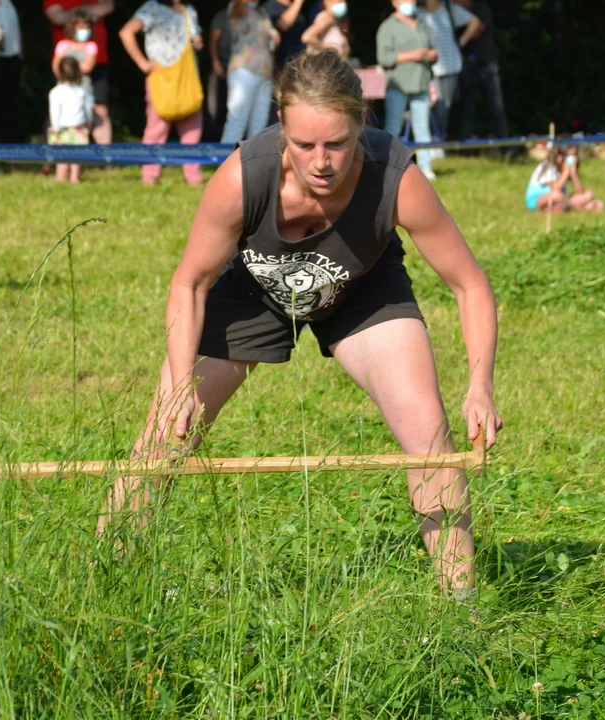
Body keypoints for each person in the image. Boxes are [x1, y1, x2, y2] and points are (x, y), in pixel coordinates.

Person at [96, 50, 502, 599]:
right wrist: (179, 386)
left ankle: (461, 610)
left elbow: (470, 285)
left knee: (429, 434)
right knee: (165, 432)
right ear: (281, 124)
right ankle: (106, 585)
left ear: (361, 123)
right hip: (253, 289)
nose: (321, 162)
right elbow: (189, 284)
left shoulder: (395, 177)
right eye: (304, 144)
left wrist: (479, 387)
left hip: (362, 289)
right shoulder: (244, 176)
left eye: (337, 143)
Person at [119, 0, 205, 186]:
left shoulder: (189, 10)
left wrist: (198, 42)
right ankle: (149, 176)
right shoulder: (152, 8)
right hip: (161, 77)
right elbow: (126, 32)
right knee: (156, 128)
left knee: (192, 127)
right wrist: (142, 63)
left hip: (187, 76)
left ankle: (193, 177)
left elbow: (195, 39)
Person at [377, 0, 437, 181]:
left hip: (421, 83)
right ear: (394, 3)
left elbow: (432, 48)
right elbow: (384, 58)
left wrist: (432, 55)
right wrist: (412, 55)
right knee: (393, 127)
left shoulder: (421, 24)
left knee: (422, 128)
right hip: (398, 85)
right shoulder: (388, 26)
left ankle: (426, 168)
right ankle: (388, 166)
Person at [44, 0, 114, 146]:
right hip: (64, 82)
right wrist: (89, 11)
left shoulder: (91, 47)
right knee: (56, 111)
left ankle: (105, 155)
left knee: (98, 109)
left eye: (86, 26)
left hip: (90, 78)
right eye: (79, 26)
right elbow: (57, 17)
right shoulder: (63, 46)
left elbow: (107, 6)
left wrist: (74, 12)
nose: (83, 30)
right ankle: (52, 153)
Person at [417, 0, 482, 141]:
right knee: (428, 107)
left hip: (450, 66)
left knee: (443, 108)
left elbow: (474, 22)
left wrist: (460, 43)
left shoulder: (449, 9)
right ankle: (429, 140)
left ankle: (437, 140)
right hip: (426, 68)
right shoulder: (418, 14)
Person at [219, 0, 279, 145]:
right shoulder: (237, 6)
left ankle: (254, 157)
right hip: (243, 68)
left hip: (264, 71)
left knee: (259, 121)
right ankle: (226, 156)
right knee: (237, 118)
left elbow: (270, 39)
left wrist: (275, 38)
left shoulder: (262, 12)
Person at [454, 0, 507, 144]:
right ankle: (465, 148)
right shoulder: (454, 12)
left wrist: (459, 42)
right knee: (466, 109)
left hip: (487, 65)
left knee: (496, 108)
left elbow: (477, 30)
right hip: (467, 67)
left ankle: (505, 146)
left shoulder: (482, 9)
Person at [49, 56, 94, 184]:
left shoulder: (55, 92)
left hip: (62, 129)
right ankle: (75, 177)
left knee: (62, 155)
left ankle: (60, 176)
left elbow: (55, 112)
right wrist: (89, 123)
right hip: (79, 128)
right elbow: (88, 109)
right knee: (77, 156)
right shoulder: (82, 91)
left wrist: (55, 128)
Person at [524, 146, 603, 212]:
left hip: (560, 199)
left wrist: (573, 173)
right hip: (538, 200)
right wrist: (566, 171)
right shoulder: (547, 166)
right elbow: (556, 188)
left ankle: (559, 207)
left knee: (589, 194)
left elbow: (580, 192)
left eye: (574, 156)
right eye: (569, 157)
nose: (572, 159)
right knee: (556, 195)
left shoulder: (565, 168)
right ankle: (579, 207)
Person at [0, 0, 22, 144]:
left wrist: (20, 51)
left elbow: (15, 28)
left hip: (12, 57)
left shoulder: (8, 3)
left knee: (10, 103)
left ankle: (7, 141)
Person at [207, 6, 233, 140]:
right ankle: (215, 142)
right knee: (217, 108)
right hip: (222, 67)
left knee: (233, 110)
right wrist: (216, 62)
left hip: (238, 70)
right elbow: (213, 40)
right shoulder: (223, 16)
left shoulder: (254, 15)